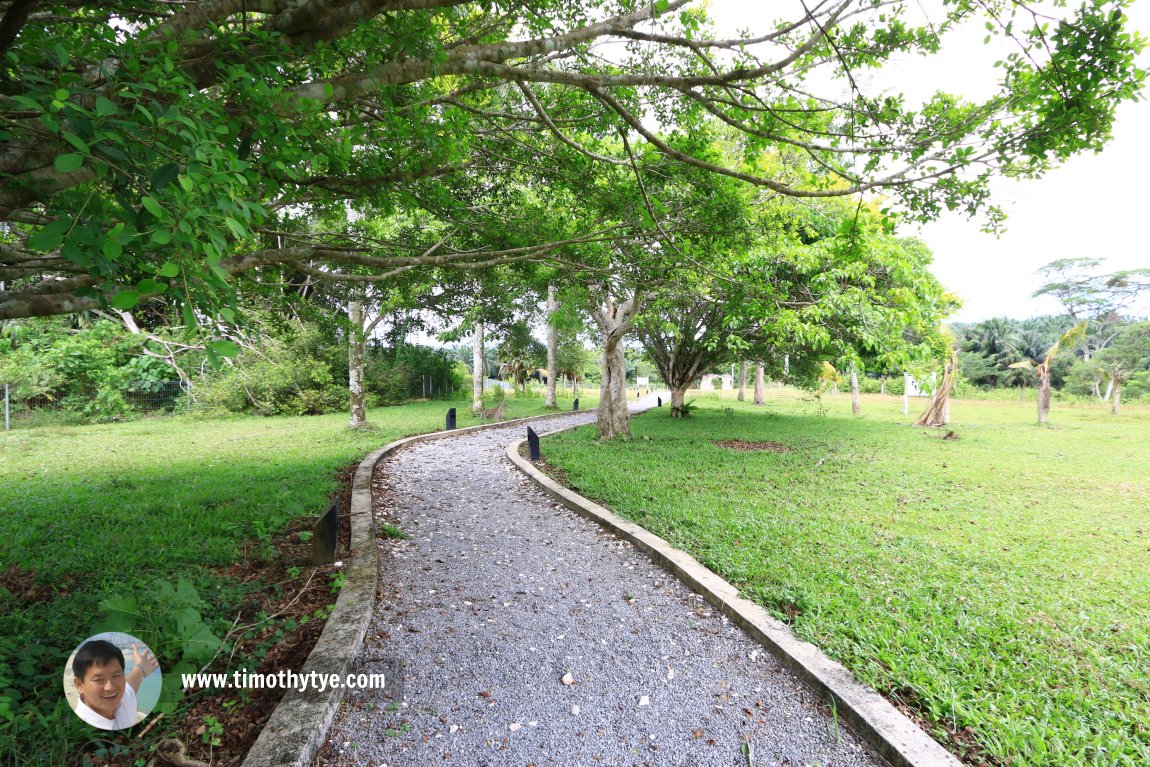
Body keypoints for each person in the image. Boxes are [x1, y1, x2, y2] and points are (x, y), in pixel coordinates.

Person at [71, 639, 159, 730]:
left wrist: (141, 667)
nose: (110, 687)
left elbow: (131, 684)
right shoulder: (81, 728)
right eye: (99, 679)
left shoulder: (123, 698)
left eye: (116, 676)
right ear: (79, 685)